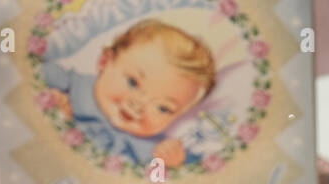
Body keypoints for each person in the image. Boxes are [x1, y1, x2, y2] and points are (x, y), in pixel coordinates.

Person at [43, 19, 216, 168]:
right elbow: (31, 71)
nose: (139, 105)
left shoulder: (154, 149)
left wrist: (174, 163)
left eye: (163, 108)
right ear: (105, 62)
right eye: (133, 83)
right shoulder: (71, 86)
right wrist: (52, 109)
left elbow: (168, 183)